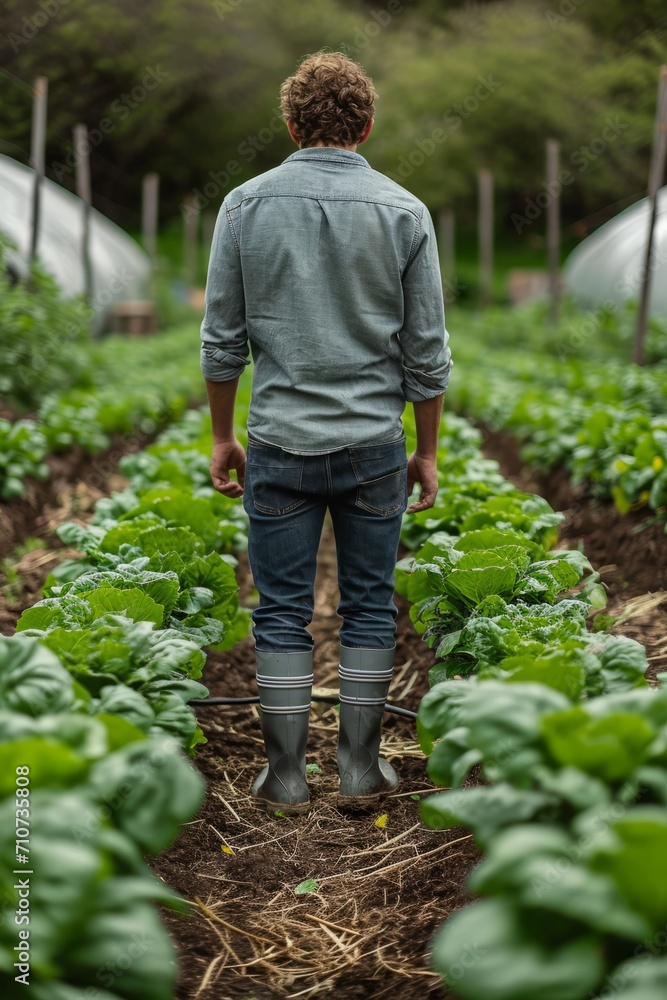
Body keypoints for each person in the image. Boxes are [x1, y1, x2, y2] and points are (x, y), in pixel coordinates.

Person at [200, 50, 452, 815]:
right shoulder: (404, 211)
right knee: (370, 606)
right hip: (374, 446)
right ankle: (360, 769)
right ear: (366, 126)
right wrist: (427, 449)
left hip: (278, 442)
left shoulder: (243, 206)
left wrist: (222, 435)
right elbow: (426, 354)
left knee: (279, 610)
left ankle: (282, 777)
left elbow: (221, 342)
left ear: (290, 124)